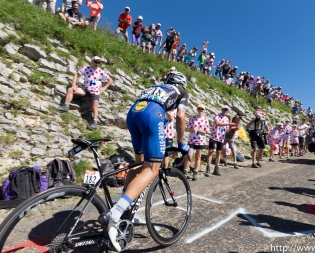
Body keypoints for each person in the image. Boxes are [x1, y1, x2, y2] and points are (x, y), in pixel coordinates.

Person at [98, 71, 190, 252]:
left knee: (138, 165)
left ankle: (125, 211)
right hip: (152, 115)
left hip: (133, 115)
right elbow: (180, 116)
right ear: (181, 83)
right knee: (152, 169)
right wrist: (181, 142)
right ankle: (115, 214)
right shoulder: (181, 91)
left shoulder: (154, 87)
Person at [57, 56, 113, 129]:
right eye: (96, 62)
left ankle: (94, 123)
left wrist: (104, 88)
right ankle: (65, 107)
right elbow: (76, 75)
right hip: (85, 89)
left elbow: (110, 80)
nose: (97, 64)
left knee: (95, 106)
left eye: (99, 62)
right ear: (92, 61)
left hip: (95, 91)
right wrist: (74, 85)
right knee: (70, 89)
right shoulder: (86, 69)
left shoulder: (101, 72)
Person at [205, 107, 236, 176]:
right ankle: (208, 167)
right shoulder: (217, 115)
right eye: (224, 109)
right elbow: (217, 123)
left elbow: (227, 130)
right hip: (214, 136)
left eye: (226, 110)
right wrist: (228, 124)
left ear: (228, 111)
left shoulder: (227, 119)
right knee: (210, 151)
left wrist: (232, 128)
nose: (225, 111)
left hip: (221, 137)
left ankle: (216, 167)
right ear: (221, 110)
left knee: (218, 152)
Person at [184, 104, 209, 180]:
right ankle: (185, 171)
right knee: (189, 155)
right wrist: (193, 129)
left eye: (202, 109)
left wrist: (198, 130)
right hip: (192, 140)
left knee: (198, 156)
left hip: (200, 141)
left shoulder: (205, 120)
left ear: (204, 111)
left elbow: (205, 132)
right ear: (197, 109)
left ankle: (195, 172)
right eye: (199, 108)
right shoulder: (192, 118)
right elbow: (189, 129)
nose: (200, 110)